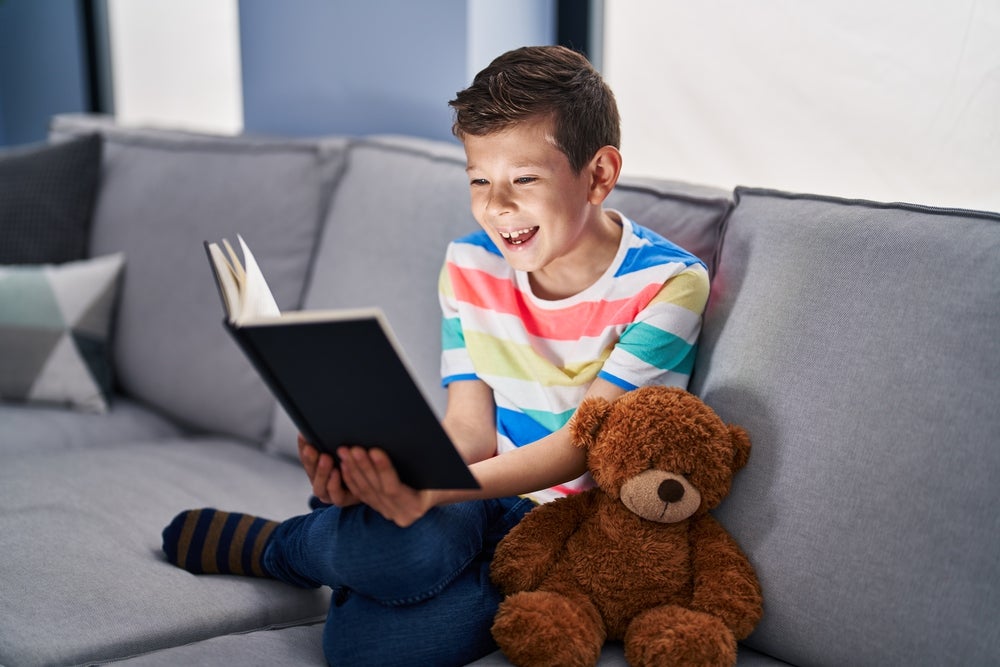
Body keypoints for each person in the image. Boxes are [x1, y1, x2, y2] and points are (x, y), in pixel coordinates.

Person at [161, 45, 710, 666]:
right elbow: (470, 430)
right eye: (479, 180)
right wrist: (396, 476)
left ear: (599, 174)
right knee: (400, 545)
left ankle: (292, 549)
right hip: (480, 492)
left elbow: (581, 448)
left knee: (362, 650)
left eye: (524, 179)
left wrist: (431, 495)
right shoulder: (468, 265)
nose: (497, 206)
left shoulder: (668, 285)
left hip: (569, 534)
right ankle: (325, 537)